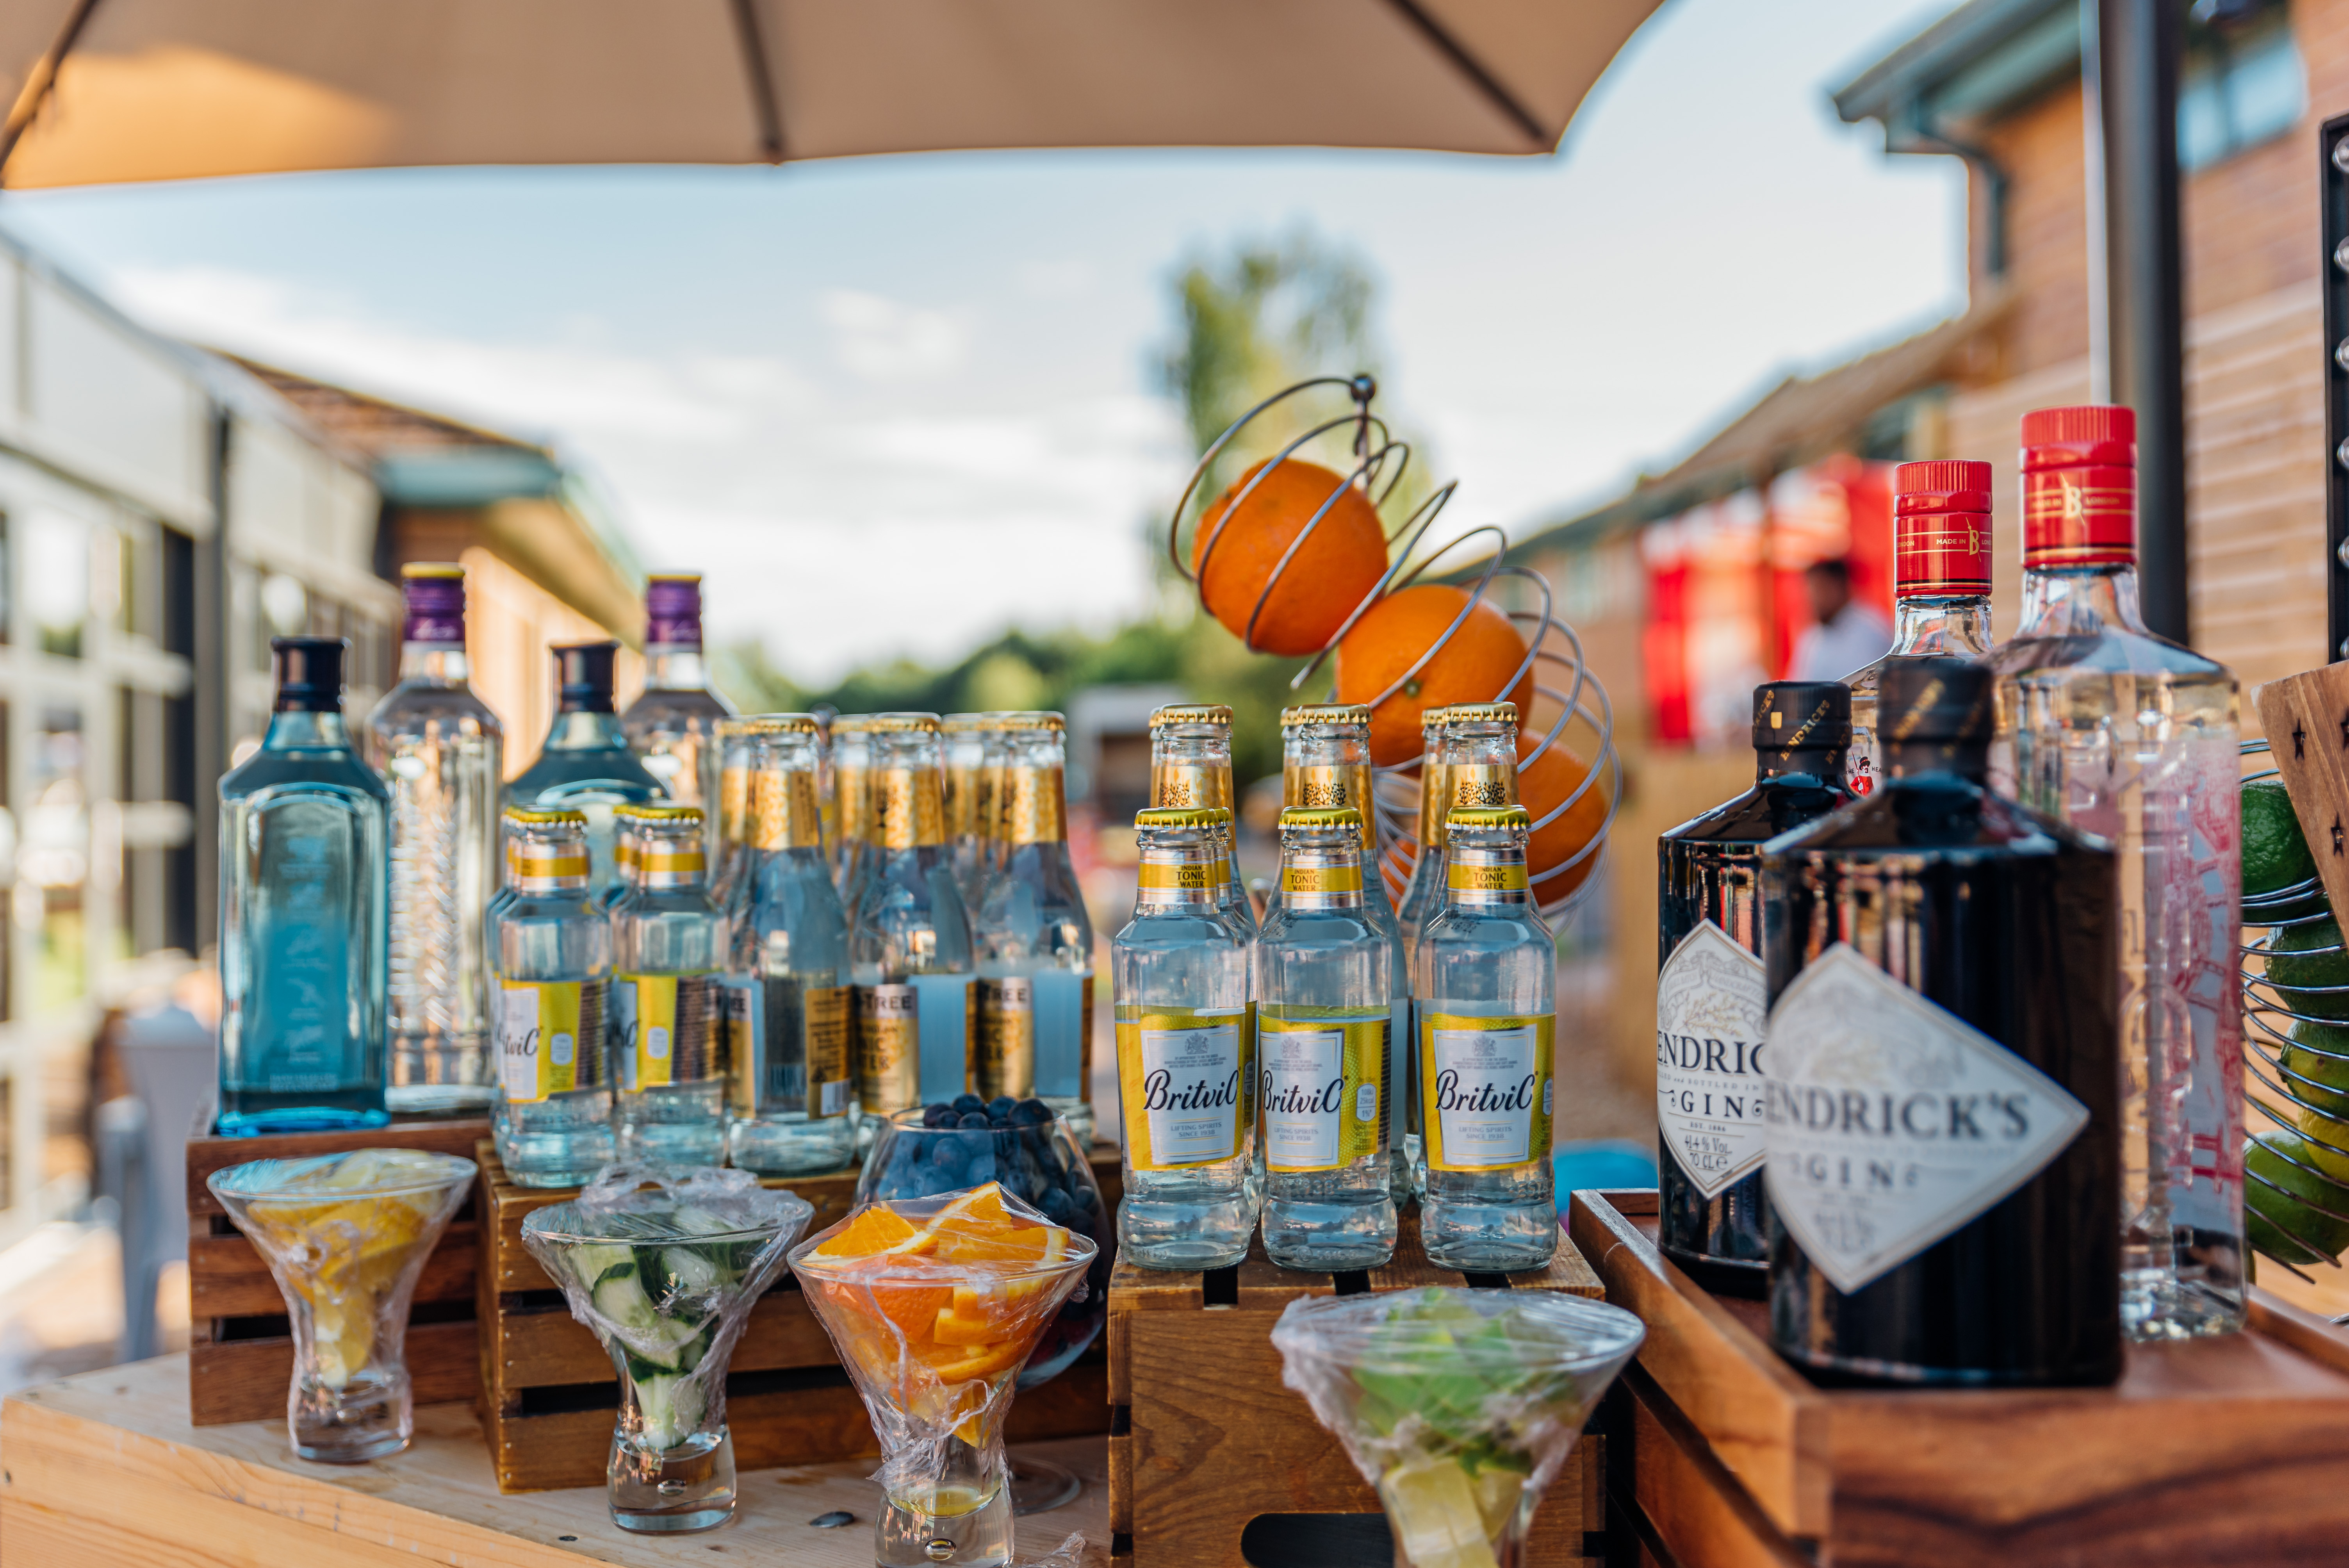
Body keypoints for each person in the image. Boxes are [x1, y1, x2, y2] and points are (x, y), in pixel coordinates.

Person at [1787, 558, 1891, 683]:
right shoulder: (1810, 638)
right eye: (1810, 591)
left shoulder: (1871, 632)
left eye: (1819, 589)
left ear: (1839, 586)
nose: (1813, 599)